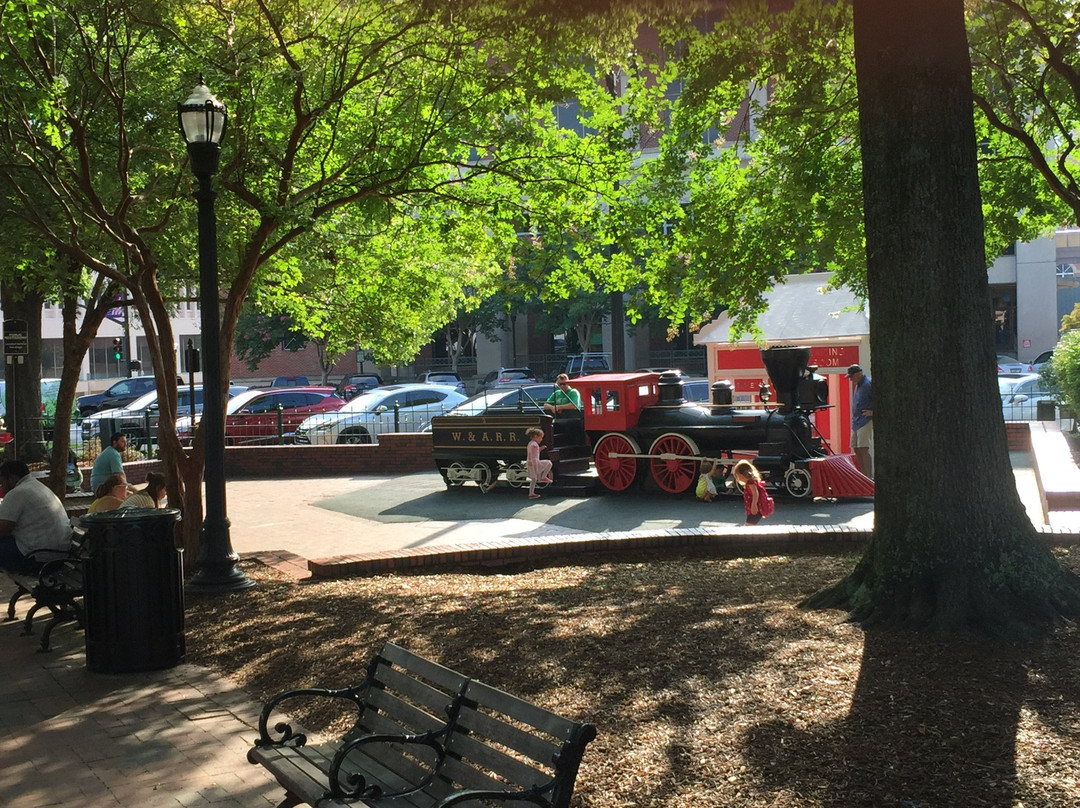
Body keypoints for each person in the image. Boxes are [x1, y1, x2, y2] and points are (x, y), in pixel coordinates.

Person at [0, 460, 74, 573]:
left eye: (2, 482)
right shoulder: (37, 486)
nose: (2, 487)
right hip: (57, 555)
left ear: (12, 478)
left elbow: (2, 530)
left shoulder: (17, 493)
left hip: (38, 559)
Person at [847, 364, 874, 479]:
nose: (850, 379)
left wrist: (872, 412)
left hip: (864, 420)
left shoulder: (868, 384)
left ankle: (869, 476)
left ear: (858, 374)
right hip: (856, 421)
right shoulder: (858, 385)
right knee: (856, 448)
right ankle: (863, 475)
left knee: (863, 448)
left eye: (851, 376)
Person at [732, 460, 772, 526]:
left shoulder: (750, 483)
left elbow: (755, 493)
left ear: (742, 475)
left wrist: (754, 505)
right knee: (750, 523)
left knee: (749, 524)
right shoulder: (752, 482)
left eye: (738, 476)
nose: (738, 479)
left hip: (755, 508)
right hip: (755, 508)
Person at [524, 427, 553, 499]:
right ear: (536, 436)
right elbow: (530, 452)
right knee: (549, 463)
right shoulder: (533, 444)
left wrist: (541, 448)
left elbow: (536, 451)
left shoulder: (532, 443)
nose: (541, 439)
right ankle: (543, 477)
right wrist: (530, 460)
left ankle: (531, 493)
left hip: (534, 462)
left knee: (534, 479)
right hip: (534, 462)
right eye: (541, 437)